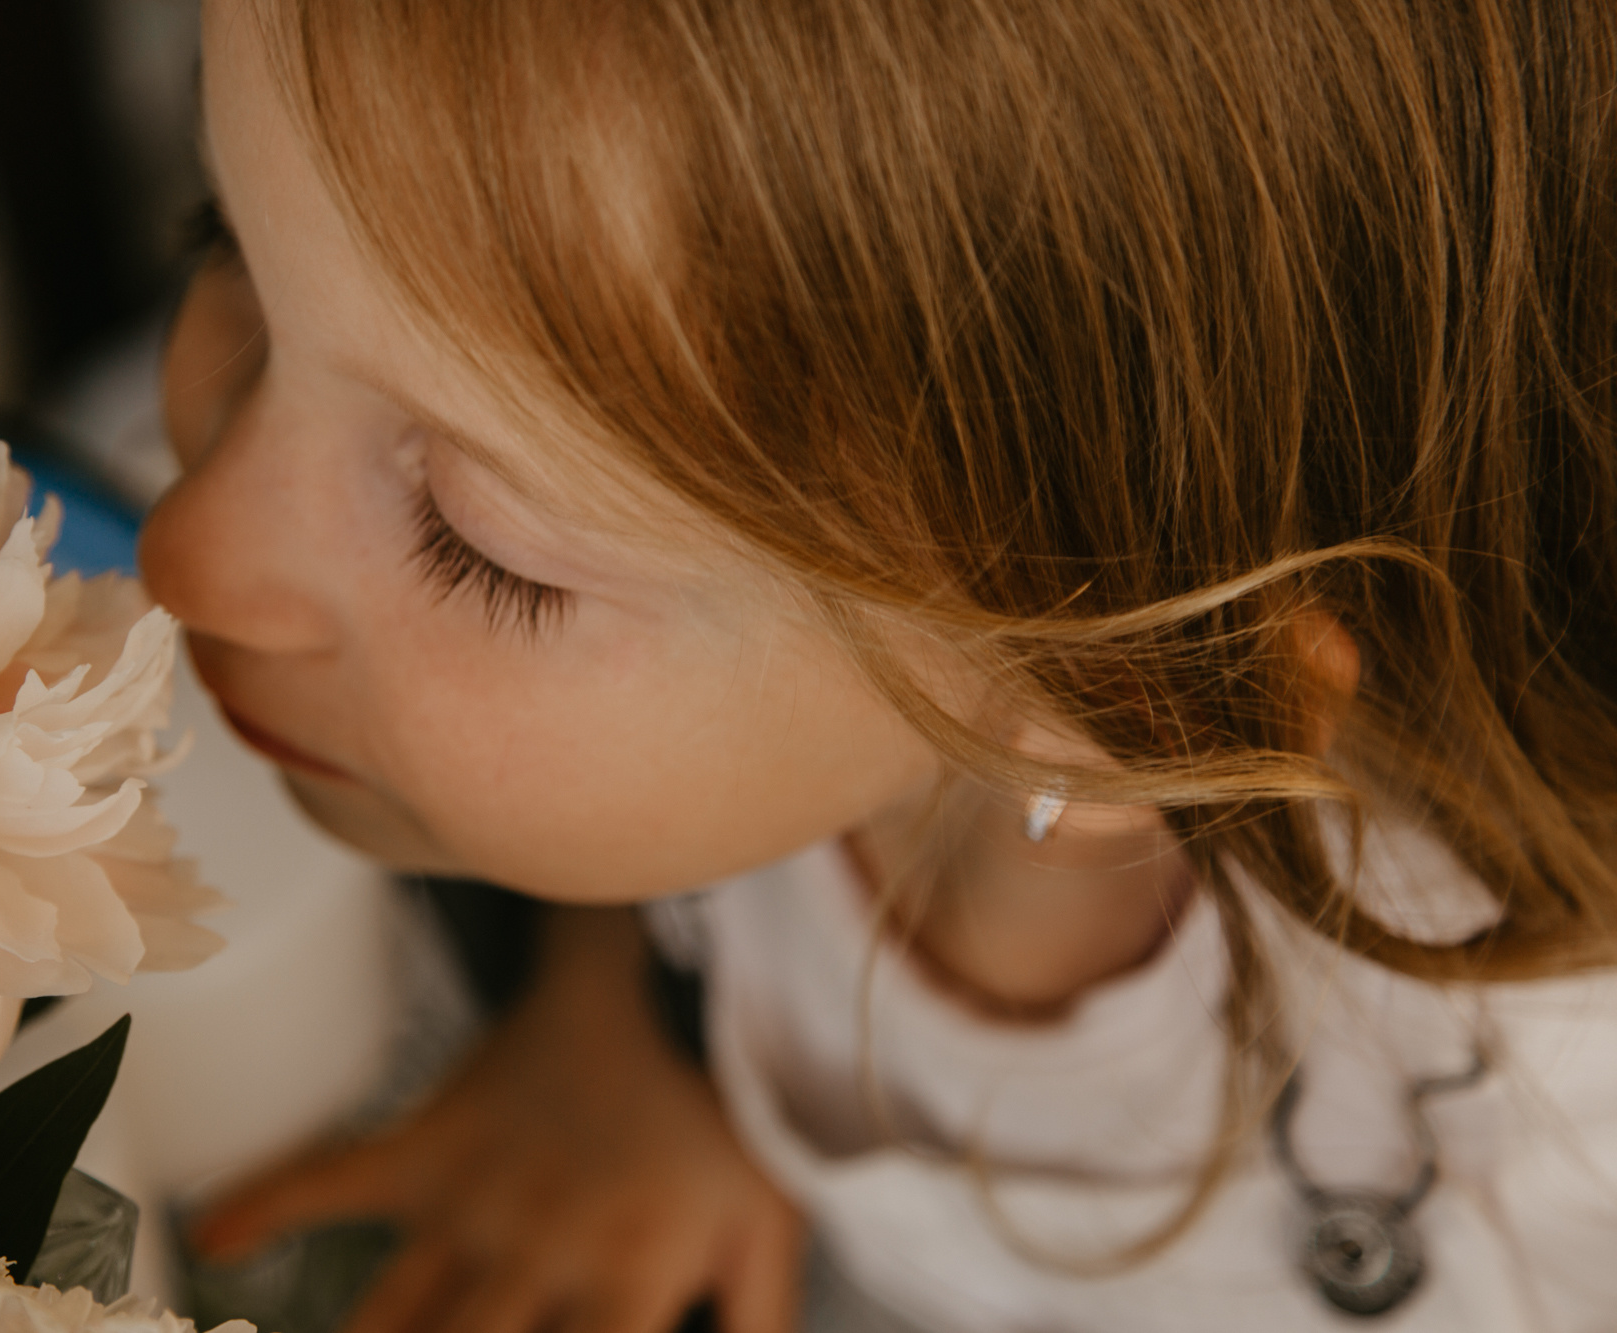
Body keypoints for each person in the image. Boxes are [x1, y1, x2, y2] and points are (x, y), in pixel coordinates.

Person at [139, 0, 1617, 1328]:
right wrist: (635, 1034)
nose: (187, 549)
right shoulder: (860, 698)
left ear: (1126, 711)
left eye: (481, 547)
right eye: (229, 243)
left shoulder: (1553, 1137)